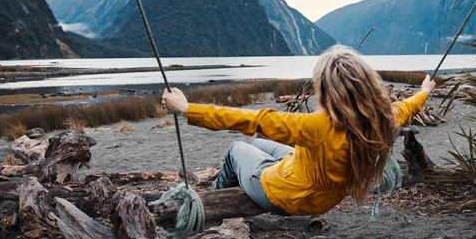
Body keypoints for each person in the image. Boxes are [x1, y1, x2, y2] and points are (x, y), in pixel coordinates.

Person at [161, 45, 436, 216]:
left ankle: (208, 209)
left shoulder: (316, 126)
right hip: (326, 196)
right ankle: (232, 187)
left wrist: (187, 109)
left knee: (236, 150)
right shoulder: (383, 118)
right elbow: (408, 106)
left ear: (327, 90)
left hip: (287, 197)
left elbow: (251, 118)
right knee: (258, 144)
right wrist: (424, 91)